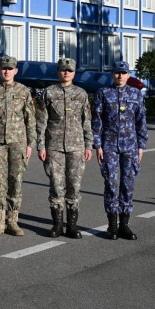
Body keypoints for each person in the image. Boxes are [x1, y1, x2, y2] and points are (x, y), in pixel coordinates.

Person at [0, 55, 36, 236]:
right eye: (4, 68)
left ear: (15, 71)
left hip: (18, 142)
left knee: (16, 181)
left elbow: (30, 118)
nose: (7, 71)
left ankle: (13, 221)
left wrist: (30, 143)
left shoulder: (24, 91)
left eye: (10, 68)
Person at [36, 57, 93, 239]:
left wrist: (88, 145)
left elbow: (87, 122)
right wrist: (40, 145)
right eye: (63, 70)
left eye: (69, 70)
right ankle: (57, 225)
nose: (66, 73)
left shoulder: (81, 94)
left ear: (74, 73)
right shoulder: (48, 93)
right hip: (54, 146)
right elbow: (41, 122)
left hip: (76, 147)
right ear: (58, 72)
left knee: (74, 187)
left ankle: (72, 226)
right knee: (55, 186)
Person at [92, 60, 148, 241]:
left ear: (128, 75)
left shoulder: (136, 94)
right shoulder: (103, 93)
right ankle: (112, 226)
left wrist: (141, 146)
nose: (120, 76)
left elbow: (141, 122)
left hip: (130, 146)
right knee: (110, 183)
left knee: (128, 185)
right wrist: (98, 145)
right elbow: (97, 121)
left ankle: (124, 224)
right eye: (117, 72)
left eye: (123, 73)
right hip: (109, 146)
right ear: (111, 74)